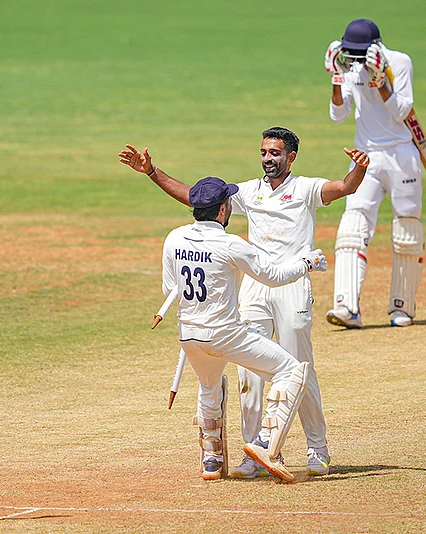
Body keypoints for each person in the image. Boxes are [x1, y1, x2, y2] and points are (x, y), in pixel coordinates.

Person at [120, 128, 369, 477]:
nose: (268, 158)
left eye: (276, 153)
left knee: (298, 367)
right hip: (255, 287)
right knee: (249, 373)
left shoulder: (306, 188)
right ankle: (254, 453)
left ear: (291, 157)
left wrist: (359, 167)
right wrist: (151, 171)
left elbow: (345, 188)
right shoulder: (248, 191)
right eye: (264, 152)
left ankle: (317, 449)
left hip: (292, 285)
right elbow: (195, 198)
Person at [163, 176, 326, 482]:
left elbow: (170, 288)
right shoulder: (231, 243)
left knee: (209, 388)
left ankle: (212, 459)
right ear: (223, 209)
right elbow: (274, 276)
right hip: (226, 334)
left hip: (189, 335)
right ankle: (265, 443)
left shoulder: (174, 238)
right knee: (292, 370)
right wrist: (307, 262)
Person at [324, 18, 423, 328]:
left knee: (407, 232)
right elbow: (338, 115)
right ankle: (346, 307)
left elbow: (402, 112)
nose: (354, 59)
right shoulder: (351, 69)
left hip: (401, 154)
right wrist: (338, 80)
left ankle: (402, 308)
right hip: (366, 155)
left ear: (376, 47)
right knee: (352, 227)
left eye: (359, 53)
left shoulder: (399, 62)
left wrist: (382, 81)